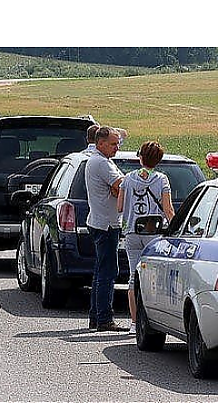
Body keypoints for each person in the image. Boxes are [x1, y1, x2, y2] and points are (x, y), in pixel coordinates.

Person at [117, 141, 175, 333]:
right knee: (154, 278)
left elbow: (119, 206)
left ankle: (134, 323)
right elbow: (167, 209)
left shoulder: (127, 178)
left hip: (132, 232)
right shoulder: (162, 179)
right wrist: (175, 227)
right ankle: (153, 321)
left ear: (140, 157)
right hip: (154, 233)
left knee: (133, 277)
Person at [85, 126, 127, 331]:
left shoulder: (101, 160)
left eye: (117, 144)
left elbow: (118, 187)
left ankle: (96, 316)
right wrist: (118, 187)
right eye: (112, 144)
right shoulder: (101, 162)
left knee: (101, 271)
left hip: (101, 221)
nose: (117, 147)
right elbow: (123, 185)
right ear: (100, 143)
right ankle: (104, 318)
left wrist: (116, 188)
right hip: (107, 224)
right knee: (108, 273)